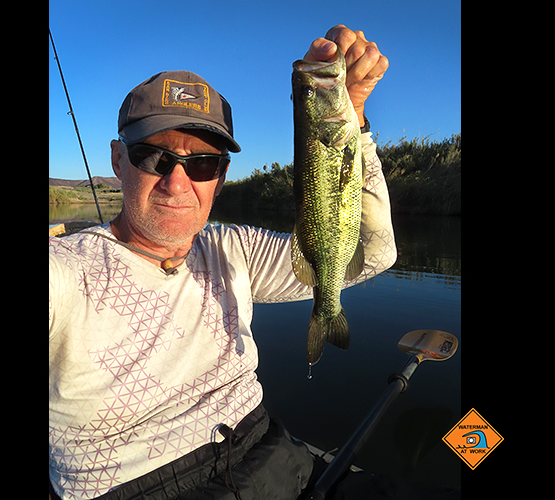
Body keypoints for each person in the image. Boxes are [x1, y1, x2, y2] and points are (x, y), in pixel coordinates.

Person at [49, 25, 396, 500]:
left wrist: (352, 116)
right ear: (117, 159)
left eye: (202, 164)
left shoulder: (234, 250)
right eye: (153, 156)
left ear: (222, 176)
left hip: (271, 458)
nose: (176, 182)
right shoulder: (65, 273)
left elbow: (375, 254)